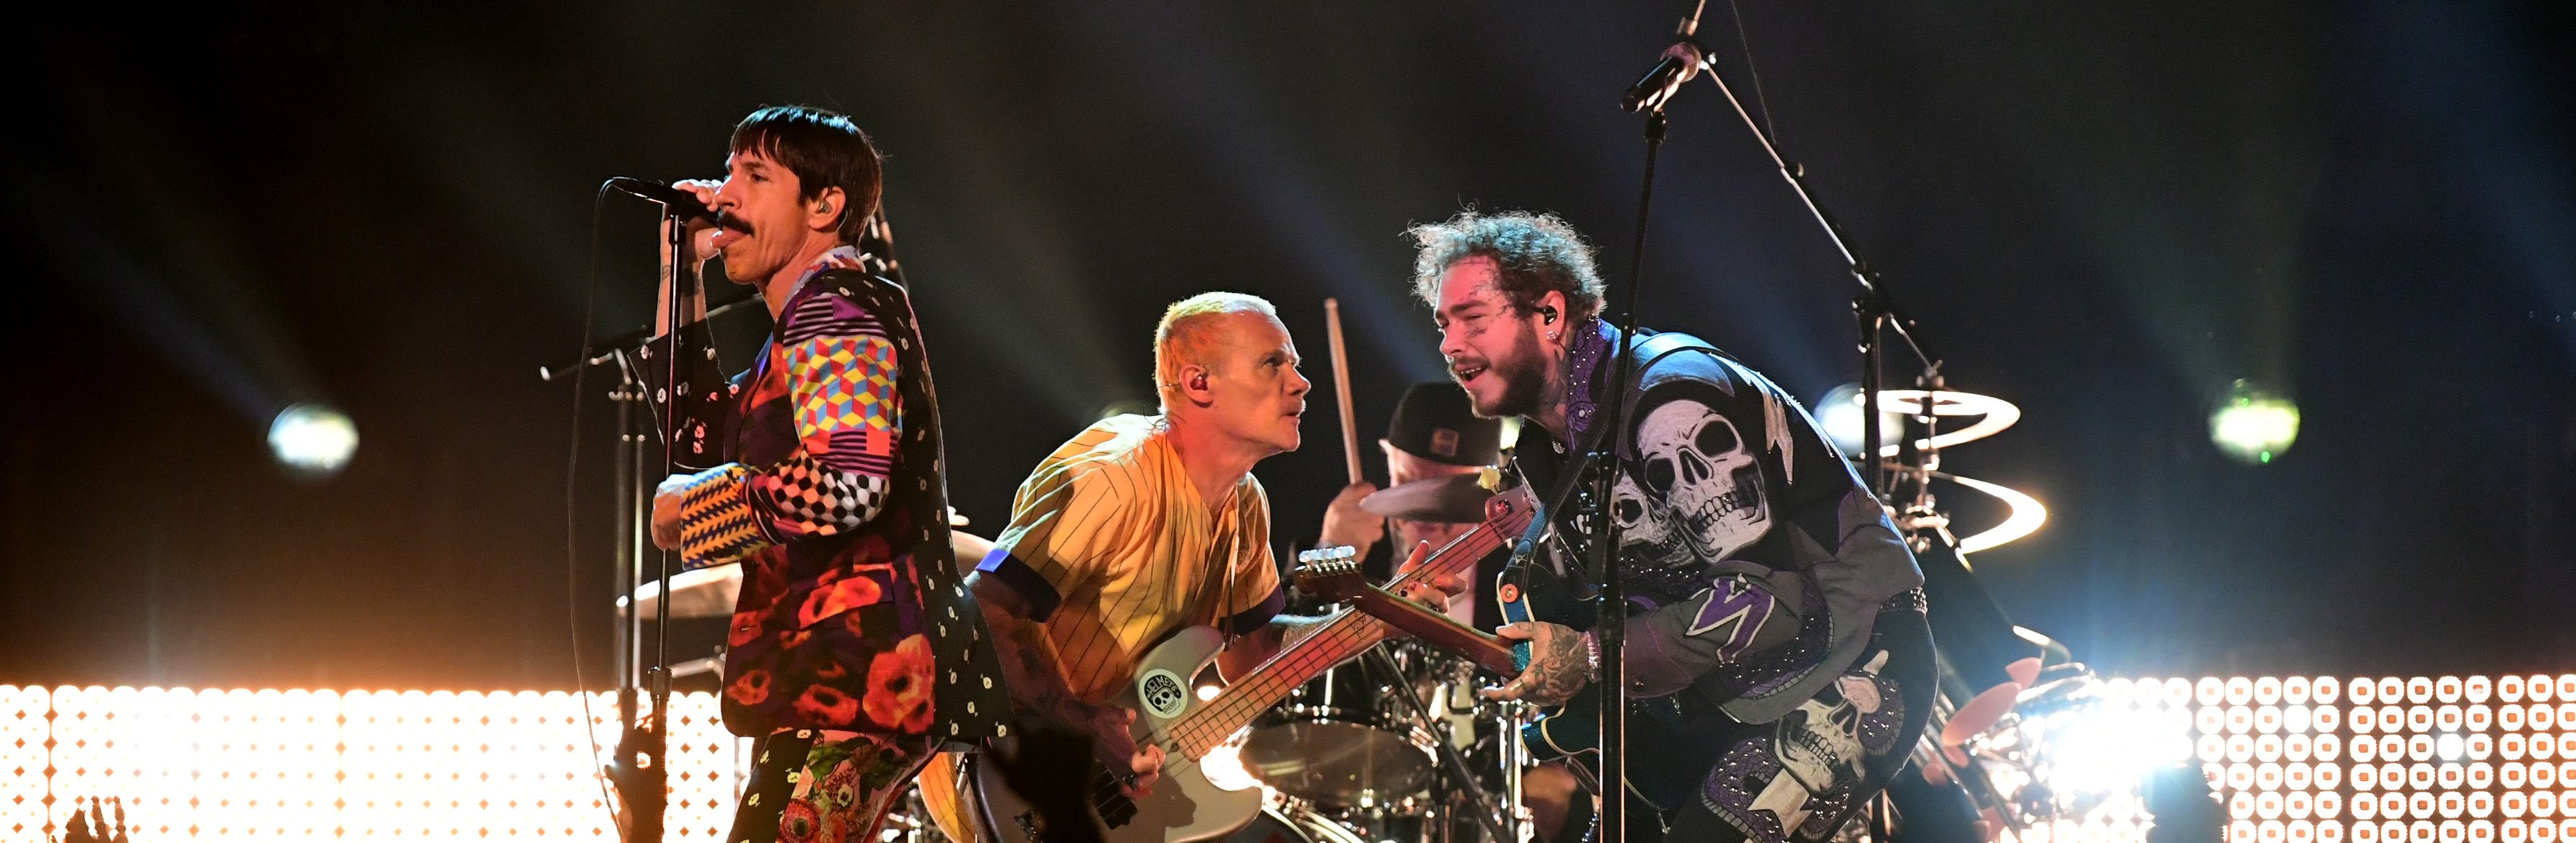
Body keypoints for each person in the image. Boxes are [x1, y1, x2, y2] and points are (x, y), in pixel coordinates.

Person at [1405, 210, 1933, 843]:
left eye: (1472, 319)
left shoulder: (1669, 401)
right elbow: (1584, 620)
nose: (1449, 344)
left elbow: (1766, 599)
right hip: (1723, 700)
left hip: (1850, 662)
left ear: (1549, 314)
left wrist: (1589, 654)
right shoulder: (1548, 453)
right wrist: (1443, 624)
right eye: (1442, 324)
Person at [920, 292, 1455, 841]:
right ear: (1199, 383)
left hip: (1110, 785)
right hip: (1012, 769)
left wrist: (1378, 616)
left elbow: (1249, 657)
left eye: (1294, 365)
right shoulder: (1115, 478)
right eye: (1273, 363)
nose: (1300, 382)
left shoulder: (1246, 501)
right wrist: (1083, 723)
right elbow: (977, 615)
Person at [639, 105, 1013, 843]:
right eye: (728, 173)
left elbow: (846, 483)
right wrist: (679, 272)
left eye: (755, 176)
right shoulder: (814, 321)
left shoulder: (834, 310)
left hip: (857, 672)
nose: (725, 194)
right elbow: (696, 432)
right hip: (848, 679)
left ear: (825, 205)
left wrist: (698, 509)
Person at [1314, 381, 1507, 625]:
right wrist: (1329, 561)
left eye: (1449, 492)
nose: (1424, 509)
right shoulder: (1351, 548)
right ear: (1390, 465)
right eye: (1408, 481)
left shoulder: (1520, 572)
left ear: (1491, 486)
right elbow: (1278, 639)